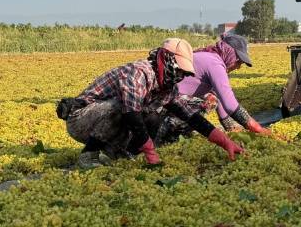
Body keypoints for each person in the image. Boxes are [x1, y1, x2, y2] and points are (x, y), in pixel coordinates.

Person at [57, 38, 245, 169]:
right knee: (124, 106)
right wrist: (150, 152)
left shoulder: (167, 87)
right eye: (179, 70)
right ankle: (88, 154)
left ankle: (121, 154)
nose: (180, 76)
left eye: (184, 73)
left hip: (104, 122)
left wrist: (226, 142)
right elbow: (131, 112)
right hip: (80, 119)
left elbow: (191, 117)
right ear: (168, 60)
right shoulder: (138, 73)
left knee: (153, 114)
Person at [144, 33, 280, 145]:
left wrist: (230, 127)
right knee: (205, 103)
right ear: (230, 53)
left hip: (164, 100)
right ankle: (167, 134)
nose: (238, 67)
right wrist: (259, 130)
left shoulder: (211, 57)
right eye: (238, 61)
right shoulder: (215, 63)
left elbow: (219, 98)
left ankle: (173, 131)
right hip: (162, 104)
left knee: (211, 99)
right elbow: (230, 105)